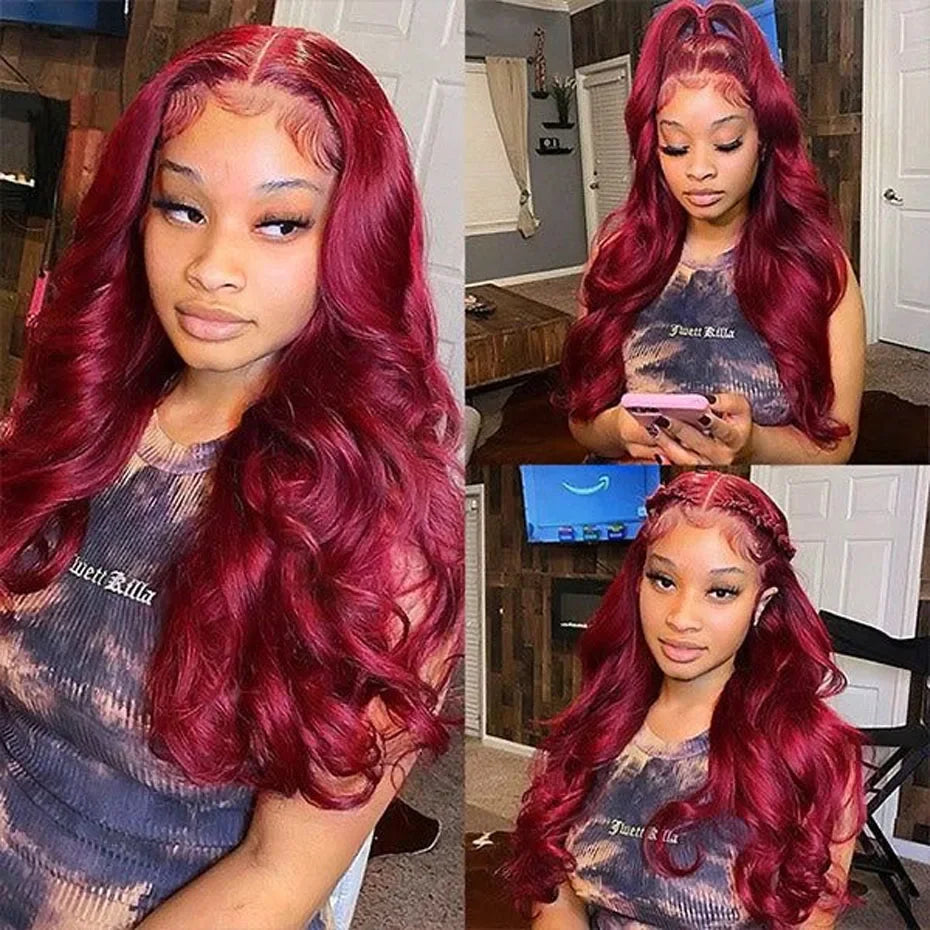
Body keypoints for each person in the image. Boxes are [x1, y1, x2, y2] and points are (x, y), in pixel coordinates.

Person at [0, 23, 461, 930]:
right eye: (183, 208)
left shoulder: (380, 544)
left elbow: (276, 878)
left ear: (356, 242)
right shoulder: (68, 425)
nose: (213, 268)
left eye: (280, 223)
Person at [506, 471, 865, 929]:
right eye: (663, 580)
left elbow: (809, 916)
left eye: (721, 591)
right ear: (638, 582)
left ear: (761, 603)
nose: (680, 617)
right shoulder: (594, 727)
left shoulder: (814, 754)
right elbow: (554, 887)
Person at [560, 0, 865, 465]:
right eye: (676, 147)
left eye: (726, 144)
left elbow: (836, 446)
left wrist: (754, 444)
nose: (699, 170)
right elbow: (582, 422)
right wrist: (618, 428)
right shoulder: (615, 257)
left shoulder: (820, 267)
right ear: (654, 148)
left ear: (764, 141)